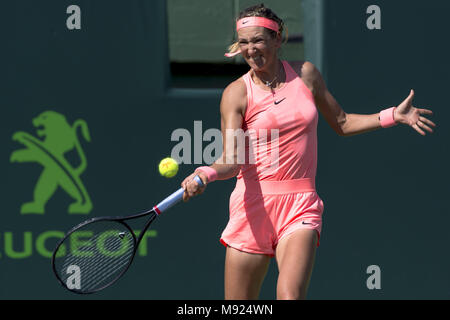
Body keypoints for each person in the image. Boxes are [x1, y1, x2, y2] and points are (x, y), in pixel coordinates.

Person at [181, 4, 436, 300]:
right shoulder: (236, 93)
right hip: (251, 207)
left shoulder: (306, 75)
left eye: (258, 40)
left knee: (290, 296)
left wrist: (392, 115)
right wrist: (205, 174)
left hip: (300, 205)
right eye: (245, 43)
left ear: (278, 39)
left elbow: (341, 122)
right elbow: (231, 160)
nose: (251, 49)